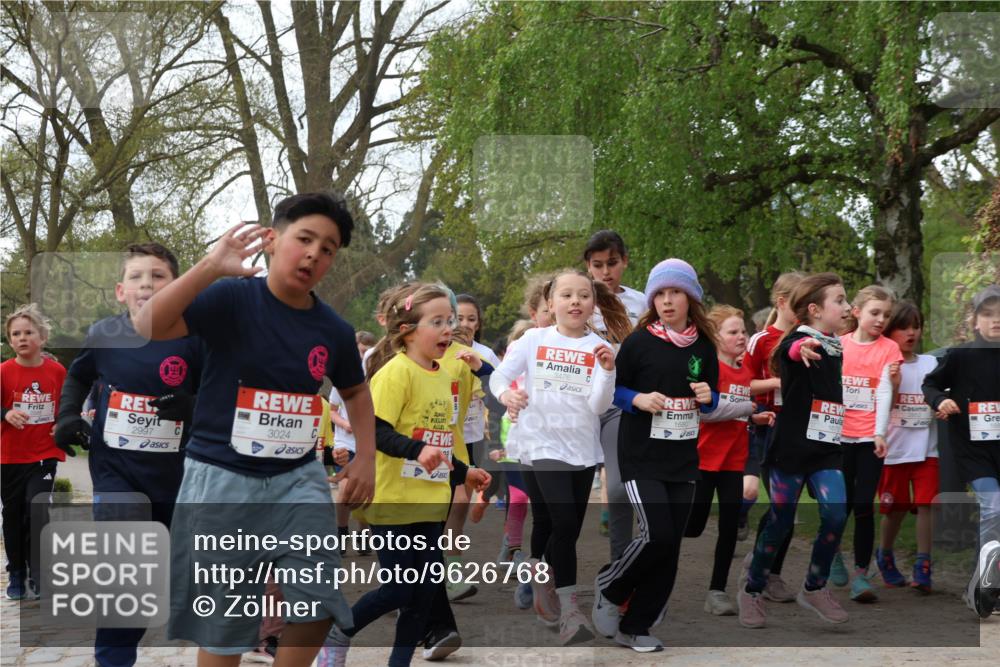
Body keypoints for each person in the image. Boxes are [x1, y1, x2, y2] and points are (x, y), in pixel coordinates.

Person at [136, 193, 375, 667]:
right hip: (221, 479)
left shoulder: (332, 328)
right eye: (304, 238)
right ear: (272, 240)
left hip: (298, 479)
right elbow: (148, 325)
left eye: (328, 248)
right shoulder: (230, 297)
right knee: (224, 621)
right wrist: (210, 265)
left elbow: (357, 393)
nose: (314, 253)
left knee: (318, 598)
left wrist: (366, 456)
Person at [321, 282, 490, 667]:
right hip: (394, 502)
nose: (449, 328)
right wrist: (418, 450)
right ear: (406, 330)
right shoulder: (395, 373)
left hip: (431, 503)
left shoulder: (445, 376)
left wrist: (467, 473)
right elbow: (375, 431)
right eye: (437, 321)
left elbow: (439, 444)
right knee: (400, 588)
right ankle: (339, 632)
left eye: (450, 320)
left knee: (426, 591)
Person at [53, 242, 203, 667]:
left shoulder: (196, 338)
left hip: (180, 480)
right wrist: (67, 416)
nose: (146, 284)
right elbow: (78, 377)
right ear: (121, 291)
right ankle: (113, 659)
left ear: (178, 286)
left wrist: (192, 404)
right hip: (116, 474)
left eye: (158, 276)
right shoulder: (104, 334)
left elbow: (222, 393)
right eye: (136, 277)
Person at [591, 258, 719, 652]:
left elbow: (711, 401)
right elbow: (616, 390)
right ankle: (610, 587)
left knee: (671, 545)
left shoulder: (703, 346)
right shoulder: (640, 340)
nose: (667, 301)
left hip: (681, 460)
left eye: (674, 293)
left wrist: (708, 397)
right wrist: (639, 399)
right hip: (640, 455)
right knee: (656, 534)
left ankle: (637, 625)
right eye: (659, 294)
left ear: (690, 298)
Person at [490, 269, 621, 644]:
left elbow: (599, 406)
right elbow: (499, 378)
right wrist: (507, 396)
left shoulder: (600, 348)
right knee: (562, 522)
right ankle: (571, 613)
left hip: (580, 449)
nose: (575, 301)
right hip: (538, 444)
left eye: (583, 295)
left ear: (593, 304)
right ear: (551, 303)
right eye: (566, 295)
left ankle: (538, 574)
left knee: (555, 525)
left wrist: (608, 370)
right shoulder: (533, 339)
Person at [737, 272, 852, 629]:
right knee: (781, 521)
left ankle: (815, 587)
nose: (848, 307)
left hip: (826, 447)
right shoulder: (800, 341)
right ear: (815, 310)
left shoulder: (834, 345)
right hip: (789, 448)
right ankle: (752, 590)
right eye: (840, 300)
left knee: (835, 513)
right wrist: (797, 348)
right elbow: (789, 351)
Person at [686, 305, 773, 616]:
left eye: (743, 331)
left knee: (727, 528)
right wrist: (747, 408)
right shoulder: (708, 371)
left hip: (734, 461)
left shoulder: (745, 372)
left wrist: (756, 417)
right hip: (703, 458)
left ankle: (717, 591)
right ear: (716, 336)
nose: (741, 337)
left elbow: (740, 412)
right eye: (733, 332)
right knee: (694, 526)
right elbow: (707, 413)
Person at [923, 284, 1000, 618]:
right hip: (974, 452)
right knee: (994, 507)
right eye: (988, 314)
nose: (996, 320)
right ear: (974, 320)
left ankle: (985, 583)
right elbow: (930, 384)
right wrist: (942, 400)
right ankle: (983, 584)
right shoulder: (960, 356)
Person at [835, 285, 903, 602]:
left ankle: (861, 574)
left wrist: (879, 434)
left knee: (863, 505)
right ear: (857, 311)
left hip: (869, 439)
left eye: (886, 315)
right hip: (839, 437)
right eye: (875, 313)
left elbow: (885, 392)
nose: (880, 319)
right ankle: (833, 556)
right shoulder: (837, 345)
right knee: (840, 505)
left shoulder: (889, 349)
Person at [741, 272, 804, 603]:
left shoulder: (807, 338)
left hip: (801, 432)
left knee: (789, 507)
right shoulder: (760, 340)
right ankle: (759, 568)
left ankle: (770, 572)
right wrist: (777, 385)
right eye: (801, 304)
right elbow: (744, 384)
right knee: (782, 504)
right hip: (767, 429)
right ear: (782, 303)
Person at [584, 230, 646, 560]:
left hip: (621, 401)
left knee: (621, 486)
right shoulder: (577, 300)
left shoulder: (641, 301)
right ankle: (537, 569)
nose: (605, 272)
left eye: (612, 263)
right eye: (597, 265)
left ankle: (620, 564)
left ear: (625, 261)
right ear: (587, 266)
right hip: (577, 404)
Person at [1, 303, 66, 601]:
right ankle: (16, 572)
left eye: (29, 332)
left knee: (37, 509)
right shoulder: (3, 372)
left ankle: (40, 574)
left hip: (43, 454)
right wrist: (5, 414)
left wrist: (62, 425)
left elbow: (68, 405)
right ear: (10, 340)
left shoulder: (56, 371)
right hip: (10, 456)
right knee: (13, 515)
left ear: (42, 336)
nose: (22, 338)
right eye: (16, 334)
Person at [875, 301, 938, 593]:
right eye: (904, 327)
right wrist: (895, 385)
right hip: (895, 451)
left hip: (928, 449)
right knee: (895, 509)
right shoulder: (884, 364)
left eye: (916, 326)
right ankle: (884, 554)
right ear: (890, 331)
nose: (911, 333)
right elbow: (881, 407)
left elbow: (940, 395)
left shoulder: (931, 364)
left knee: (927, 505)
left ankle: (923, 565)